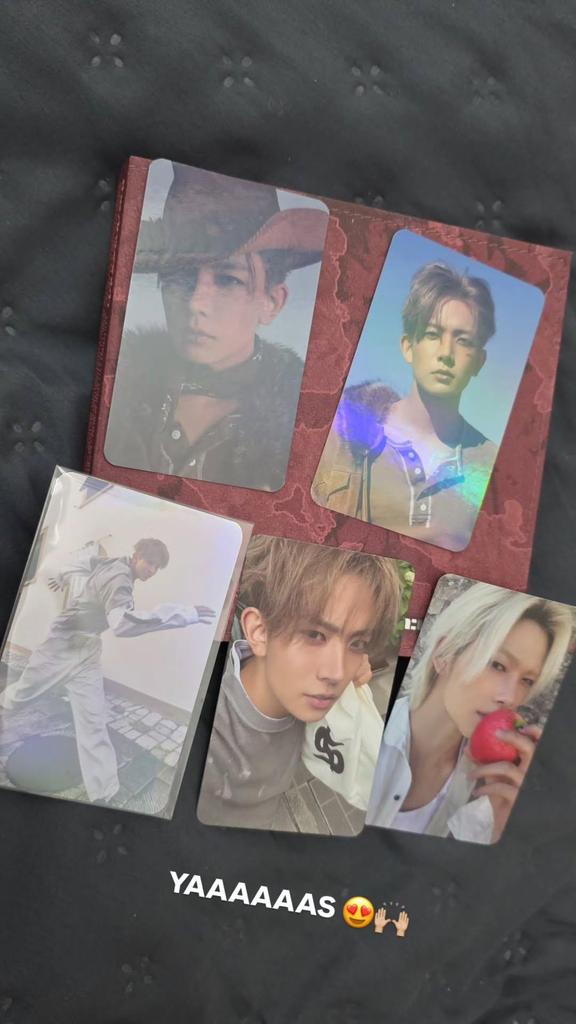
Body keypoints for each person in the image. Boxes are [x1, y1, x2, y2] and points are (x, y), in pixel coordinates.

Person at [105, 163, 328, 491]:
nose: (196, 303)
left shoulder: (305, 428)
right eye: (181, 276)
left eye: (228, 280)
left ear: (272, 302)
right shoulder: (116, 388)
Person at [197, 536, 401, 830]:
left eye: (356, 642)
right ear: (259, 632)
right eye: (315, 635)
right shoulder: (207, 732)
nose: (336, 673)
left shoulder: (313, 698)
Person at [0, 538, 216, 803]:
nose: (151, 570)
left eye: (157, 567)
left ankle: (104, 792)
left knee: (93, 718)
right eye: (149, 562)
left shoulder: (111, 562)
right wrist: (184, 615)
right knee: (20, 695)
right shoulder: (120, 579)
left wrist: (62, 574)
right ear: (136, 555)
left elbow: (85, 562)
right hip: (61, 646)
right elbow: (122, 624)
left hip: (88, 650)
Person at [366, 582, 573, 843]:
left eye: (527, 681)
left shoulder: (490, 791)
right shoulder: (367, 733)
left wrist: (503, 835)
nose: (510, 697)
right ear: (444, 654)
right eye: (498, 665)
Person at [312, 261, 499, 551]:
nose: (446, 353)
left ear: (479, 361)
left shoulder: (491, 468)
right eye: (433, 335)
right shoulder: (340, 432)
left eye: (463, 340)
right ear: (408, 347)